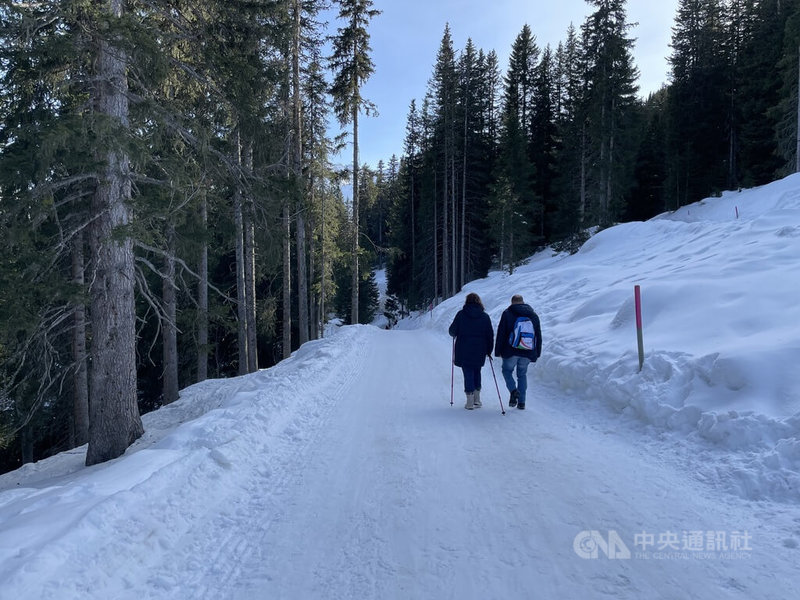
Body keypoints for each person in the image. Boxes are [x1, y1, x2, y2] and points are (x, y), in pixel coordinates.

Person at [494, 294, 542, 410]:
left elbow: (501, 333)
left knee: (507, 371)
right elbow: (538, 335)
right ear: (523, 302)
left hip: (511, 350)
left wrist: (497, 351)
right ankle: (522, 403)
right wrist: (537, 352)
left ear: (512, 302)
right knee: (522, 374)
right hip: (527, 351)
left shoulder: (507, 313)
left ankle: (513, 391)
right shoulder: (533, 315)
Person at [448, 292, 494, 410]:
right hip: (480, 348)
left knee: (468, 371)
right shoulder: (485, 316)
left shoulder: (461, 314)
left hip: (464, 348)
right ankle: (477, 399)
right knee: (477, 370)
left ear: (466, 302)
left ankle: (469, 400)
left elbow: (452, 331)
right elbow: (490, 335)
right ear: (479, 301)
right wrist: (489, 350)